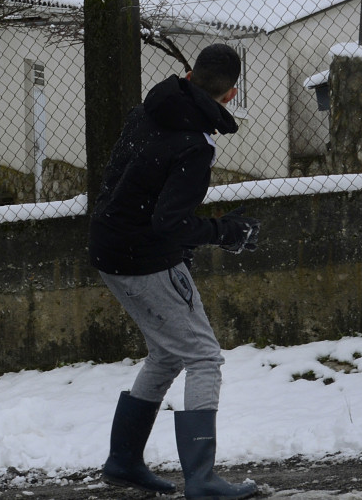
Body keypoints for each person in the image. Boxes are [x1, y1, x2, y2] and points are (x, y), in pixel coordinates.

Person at [89, 44, 260, 500]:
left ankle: (123, 460)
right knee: (203, 357)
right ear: (231, 94)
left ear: (188, 73)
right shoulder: (194, 145)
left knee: (166, 354)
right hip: (145, 259)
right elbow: (171, 223)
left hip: (109, 248)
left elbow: (123, 183)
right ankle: (202, 480)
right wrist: (225, 232)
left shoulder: (146, 112)